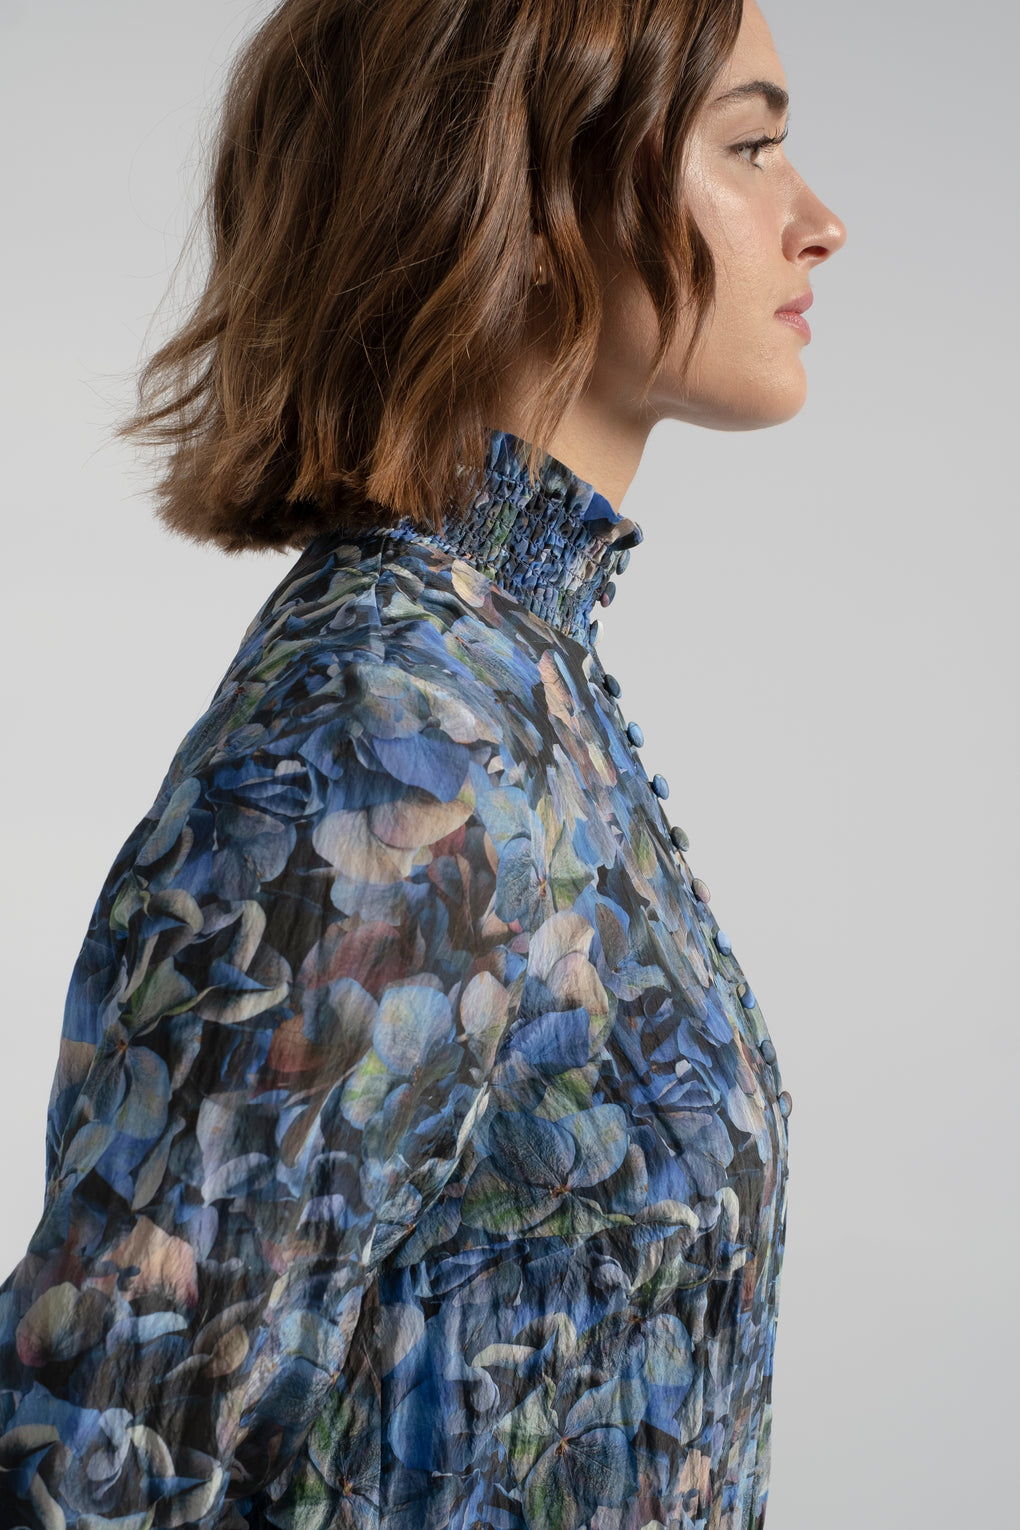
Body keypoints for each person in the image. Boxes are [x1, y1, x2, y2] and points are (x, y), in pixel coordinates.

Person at [0, 0, 845, 1524]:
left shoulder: (513, 683)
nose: (819, 220)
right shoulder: (390, 739)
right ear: (533, 199)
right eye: (751, 146)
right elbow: (89, 1464)